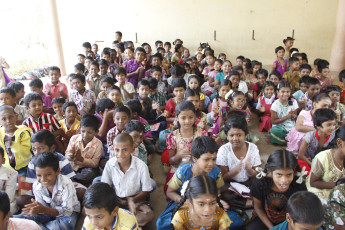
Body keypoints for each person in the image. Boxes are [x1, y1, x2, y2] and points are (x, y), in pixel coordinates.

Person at [157, 136, 229, 230]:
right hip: (183, 202)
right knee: (162, 224)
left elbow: (218, 190)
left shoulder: (215, 171)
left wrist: (214, 201)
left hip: (208, 204)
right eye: (206, 159)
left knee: (230, 221)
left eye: (214, 159)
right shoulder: (183, 171)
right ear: (195, 159)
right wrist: (185, 202)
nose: (211, 164)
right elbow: (170, 192)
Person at [13, 152, 80, 230]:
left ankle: (40, 226)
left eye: (48, 175)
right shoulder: (37, 185)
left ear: (57, 171)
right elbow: (42, 207)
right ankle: (44, 226)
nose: (43, 179)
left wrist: (44, 209)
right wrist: (36, 209)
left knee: (63, 225)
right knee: (22, 218)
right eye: (39, 175)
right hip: (47, 211)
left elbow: (67, 212)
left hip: (68, 213)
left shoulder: (66, 183)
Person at [101, 133, 154, 227]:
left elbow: (146, 190)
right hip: (117, 198)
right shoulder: (110, 164)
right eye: (117, 150)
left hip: (136, 199)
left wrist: (132, 200)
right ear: (113, 149)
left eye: (125, 150)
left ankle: (120, 222)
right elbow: (105, 186)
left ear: (132, 149)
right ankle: (126, 222)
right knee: (101, 212)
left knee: (148, 215)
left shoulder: (141, 166)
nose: (120, 154)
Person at [246, 150, 307, 230]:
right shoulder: (260, 184)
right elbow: (258, 208)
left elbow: (299, 212)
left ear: (294, 172)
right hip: (266, 219)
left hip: (289, 222)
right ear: (269, 172)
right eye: (279, 174)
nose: (284, 180)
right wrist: (273, 228)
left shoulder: (298, 185)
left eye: (289, 174)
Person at [217, 112, 261, 210]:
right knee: (224, 194)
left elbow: (257, 174)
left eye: (239, 135)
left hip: (249, 182)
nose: (235, 138)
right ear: (227, 136)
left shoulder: (253, 148)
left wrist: (250, 170)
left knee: (263, 183)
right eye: (231, 135)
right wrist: (235, 171)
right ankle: (254, 202)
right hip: (232, 184)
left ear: (245, 135)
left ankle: (248, 201)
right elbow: (223, 178)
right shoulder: (223, 150)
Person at [163, 101, 208, 193]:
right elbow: (171, 161)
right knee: (175, 191)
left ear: (195, 117)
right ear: (177, 118)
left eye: (191, 117)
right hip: (179, 170)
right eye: (183, 118)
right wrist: (177, 156)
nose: (187, 121)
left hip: (198, 169)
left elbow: (206, 156)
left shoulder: (202, 134)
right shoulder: (173, 137)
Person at [306, 125, 345, 204]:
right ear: (340, 143)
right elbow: (313, 183)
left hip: (339, 189)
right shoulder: (322, 158)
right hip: (321, 190)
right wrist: (337, 184)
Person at [65, 115, 103, 186]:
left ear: (96, 132)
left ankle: (71, 179)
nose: (85, 135)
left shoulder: (98, 144)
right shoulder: (74, 138)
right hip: (72, 166)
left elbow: (95, 164)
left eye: (89, 132)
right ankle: (74, 179)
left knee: (89, 173)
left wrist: (82, 160)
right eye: (83, 131)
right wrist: (71, 156)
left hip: (86, 168)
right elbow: (67, 155)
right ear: (79, 129)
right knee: (62, 166)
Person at [0, 105, 32, 176]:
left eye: (11, 117)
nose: (8, 121)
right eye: (4, 119)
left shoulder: (23, 132)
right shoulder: (1, 133)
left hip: (23, 167)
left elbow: (27, 151)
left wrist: (13, 144)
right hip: (6, 168)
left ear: (16, 117)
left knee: (22, 186)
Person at [0, 146, 18, 214]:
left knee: (9, 208)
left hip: (4, 202)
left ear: (3, 160)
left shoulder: (11, 174)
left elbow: (8, 197)